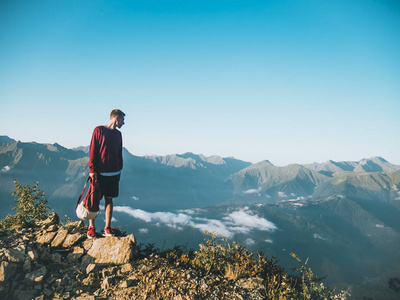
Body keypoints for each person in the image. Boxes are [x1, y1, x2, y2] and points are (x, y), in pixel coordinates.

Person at [87, 109, 125, 238]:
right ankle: (91, 227)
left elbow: (119, 151)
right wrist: (92, 170)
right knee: (94, 201)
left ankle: (107, 227)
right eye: (122, 120)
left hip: (114, 173)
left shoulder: (118, 134)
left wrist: (120, 166)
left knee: (109, 200)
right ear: (116, 118)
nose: (123, 123)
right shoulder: (98, 130)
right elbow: (93, 150)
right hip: (99, 173)